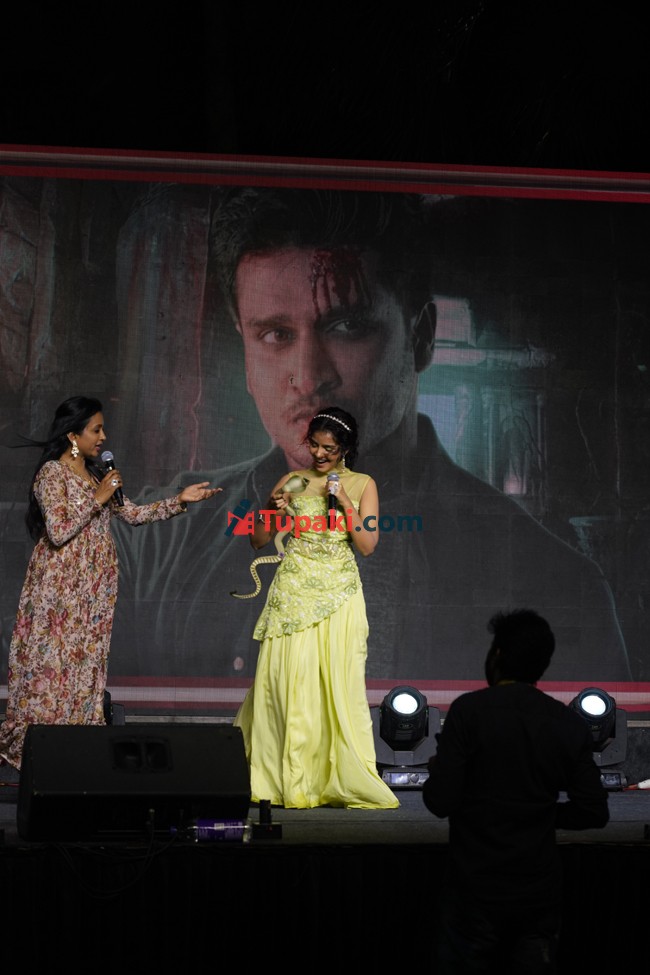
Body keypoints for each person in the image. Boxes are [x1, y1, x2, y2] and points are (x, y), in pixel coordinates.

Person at [110, 187, 632, 686]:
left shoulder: (556, 583)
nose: (308, 376)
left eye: (346, 327)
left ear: (421, 337)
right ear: (245, 353)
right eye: (275, 334)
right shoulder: (155, 543)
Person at [0, 396, 220, 770]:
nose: (103, 437)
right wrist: (98, 497)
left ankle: (74, 752)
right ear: (73, 435)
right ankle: (39, 753)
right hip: (60, 591)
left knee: (84, 668)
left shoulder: (96, 474)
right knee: (52, 669)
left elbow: (132, 514)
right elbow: (59, 530)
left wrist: (179, 500)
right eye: (96, 430)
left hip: (94, 591)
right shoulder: (52, 474)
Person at [422, 609, 610, 974]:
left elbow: (439, 801)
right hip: (537, 894)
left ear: (497, 655)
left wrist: (443, 774)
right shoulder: (566, 723)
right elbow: (593, 811)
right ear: (543, 664)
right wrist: (539, 814)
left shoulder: (468, 712)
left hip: (473, 891)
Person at [233, 407, 398, 809]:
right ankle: (280, 777)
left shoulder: (362, 484)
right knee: (282, 682)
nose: (320, 454)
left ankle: (326, 778)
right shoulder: (294, 480)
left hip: (339, 595)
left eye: (330, 448)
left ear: (346, 449)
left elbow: (367, 545)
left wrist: (344, 502)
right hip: (292, 594)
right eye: (315, 446)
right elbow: (257, 540)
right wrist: (271, 508)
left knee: (334, 685)